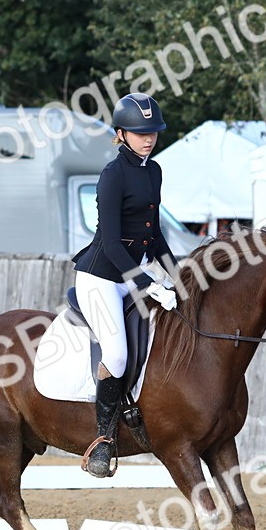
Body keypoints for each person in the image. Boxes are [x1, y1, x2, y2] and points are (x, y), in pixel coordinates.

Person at [70, 93, 179, 478]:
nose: (148, 138)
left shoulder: (155, 171)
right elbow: (114, 245)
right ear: (121, 133)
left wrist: (179, 277)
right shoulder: (112, 175)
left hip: (133, 274)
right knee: (115, 356)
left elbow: (156, 235)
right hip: (101, 277)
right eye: (139, 132)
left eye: (152, 131)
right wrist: (149, 283)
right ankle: (103, 440)